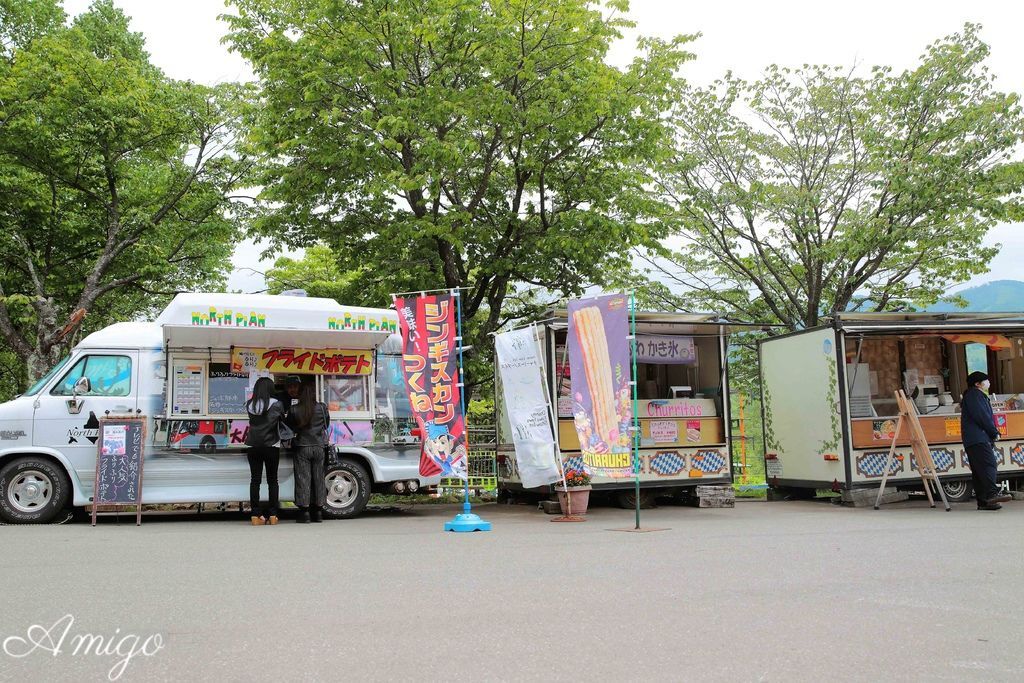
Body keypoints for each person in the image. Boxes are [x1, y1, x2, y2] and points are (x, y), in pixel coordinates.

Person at [960, 371, 1012, 510]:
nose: (988, 383)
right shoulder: (975, 395)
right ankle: (992, 494)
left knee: (978, 470)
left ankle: (984, 501)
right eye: (985, 380)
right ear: (977, 384)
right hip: (978, 438)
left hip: (973, 439)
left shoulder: (972, 396)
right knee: (989, 465)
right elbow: (982, 416)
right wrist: (993, 432)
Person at [287, 382, 330, 523]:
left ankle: (304, 513)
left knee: (303, 478)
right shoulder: (322, 407)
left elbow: (289, 426)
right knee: (318, 478)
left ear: (300, 394)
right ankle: (318, 512)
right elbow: (326, 424)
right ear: (314, 394)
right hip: (319, 446)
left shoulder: (294, 409)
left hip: (302, 446)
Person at [245, 377, 285, 525]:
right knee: (272, 480)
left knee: (255, 480)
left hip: (253, 446)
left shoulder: (249, 404)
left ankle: (255, 515)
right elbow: (282, 421)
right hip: (271, 446)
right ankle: (273, 515)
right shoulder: (277, 405)